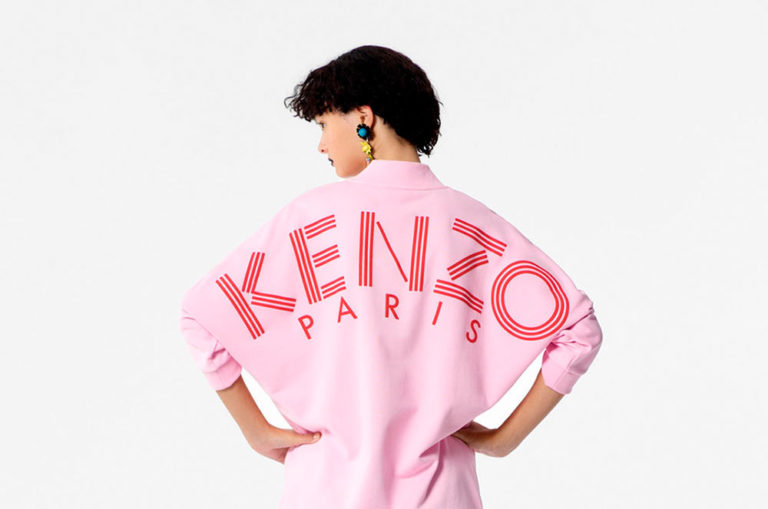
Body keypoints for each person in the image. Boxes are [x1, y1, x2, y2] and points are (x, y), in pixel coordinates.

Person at [179, 44, 603, 509]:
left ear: (364, 118)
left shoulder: (312, 216)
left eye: (323, 124)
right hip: (443, 491)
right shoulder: (473, 224)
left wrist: (255, 431)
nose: (321, 145)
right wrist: (505, 439)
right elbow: (579, 329)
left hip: (326, 488)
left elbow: (202, 315)